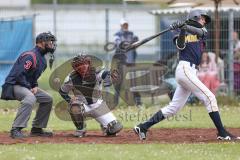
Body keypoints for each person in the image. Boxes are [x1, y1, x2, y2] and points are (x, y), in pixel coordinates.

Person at [134, 10, 240, 141]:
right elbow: (180, 45)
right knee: (210, 98)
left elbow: (200, 32)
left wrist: (185, 26)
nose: (204, 21)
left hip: (191, 72)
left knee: (173, 108)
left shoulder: (202, 31)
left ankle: (143, 127)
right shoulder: (179, 32)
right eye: (202, 19)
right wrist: (182, 30)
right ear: (195, 17)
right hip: (185, 69)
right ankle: (222, 132)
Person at [1, 32, 57, 139]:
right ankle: (16, 129)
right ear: (41, 43)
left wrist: (34, 85)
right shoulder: (30, 56)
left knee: (48, 99)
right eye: (49, 41)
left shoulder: (42, 60)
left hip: (24, 85)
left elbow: (33, 77)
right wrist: (29, 87)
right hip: (13, 85)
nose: (51, 44)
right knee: (30, 97)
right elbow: (18, 75)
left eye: (51, 42)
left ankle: (37, 129)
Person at [58, 54, 123, 137]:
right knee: (74, 106)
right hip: (82, 106)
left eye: (84, 63)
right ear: (74, 67)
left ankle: (105, 126)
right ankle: (81, 129)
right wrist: (70, 100)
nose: (81, 67)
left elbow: (105, 73)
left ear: (89, 63)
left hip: (98, 105)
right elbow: (62, 91)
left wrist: (109, 75)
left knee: (116, 127)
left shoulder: (96, 72)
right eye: (78, 65)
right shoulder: (71, 78)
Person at [113, 18, 142, 107]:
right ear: (121, 26)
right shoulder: (117, 35)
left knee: (133, 83)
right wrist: (131, 43)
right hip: (121, 63)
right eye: (123, 25)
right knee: (119, 83)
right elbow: (120, 44)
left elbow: (136, 44)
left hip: (130, 62)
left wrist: (136, 42)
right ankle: (115, 103)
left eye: (126, 24)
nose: (125, 26)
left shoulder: (131, 34)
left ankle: (138, 103)